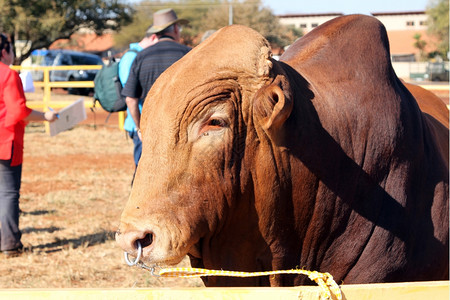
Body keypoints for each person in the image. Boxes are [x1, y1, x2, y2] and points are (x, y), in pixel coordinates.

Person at [0, 33, 59, 257]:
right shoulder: (8, 75)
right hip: (6, 141)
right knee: (7, 193)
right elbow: (18, 112)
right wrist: (46, 116)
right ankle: (10, 243)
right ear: (5, 51)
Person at [122, 8, 191, 149]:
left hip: (150, 131)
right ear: (176, 29)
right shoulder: (190, 55)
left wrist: (140, 128)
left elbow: (130, 99)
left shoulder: (141, 56)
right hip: (183, 132)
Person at [118, 30, 158, 168]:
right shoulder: (132, 57)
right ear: (153, 38)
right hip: (139, 124)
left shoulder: (142, 55)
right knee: (143, 170)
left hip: (146, 124)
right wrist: (139, 127)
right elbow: (130, 93)